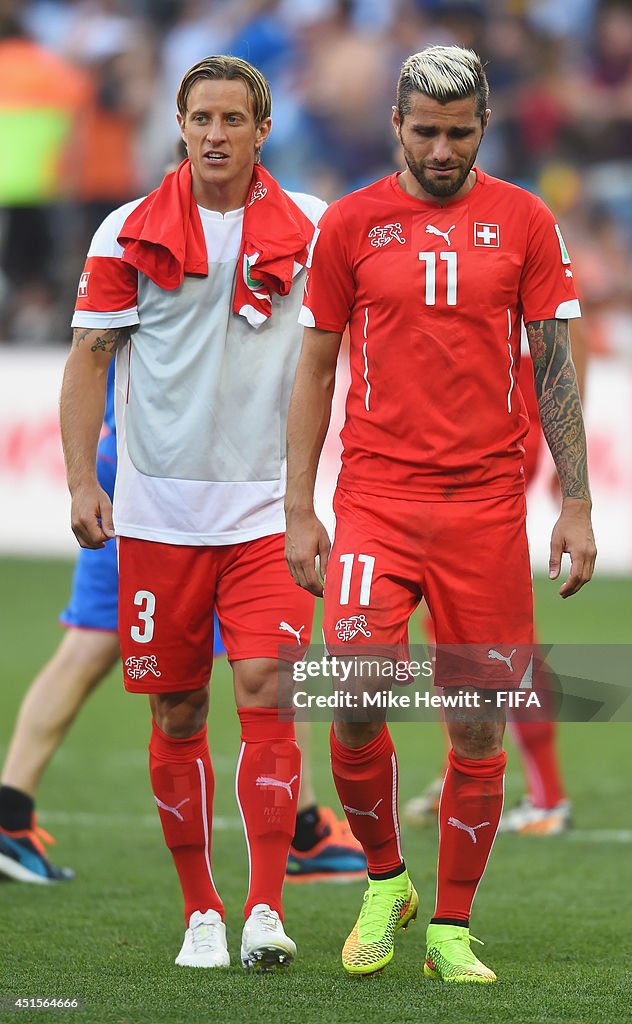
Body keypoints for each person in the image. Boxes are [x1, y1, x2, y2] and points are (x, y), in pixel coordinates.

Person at [285, 45, 596, 984]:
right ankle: (386, 880)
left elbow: (554, 368)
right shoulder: (346, 225)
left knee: (476, 727)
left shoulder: (527, 220)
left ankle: (451, 929)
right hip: (375, 501)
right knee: (354, 697)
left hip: (487, 511)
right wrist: (298, 506)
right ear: (396, 126)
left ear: (484, 129)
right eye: (425, 131)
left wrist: (575, 502)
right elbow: (314, 369)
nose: (442, 149)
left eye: (459, 133)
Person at [59, 54, 329, 973]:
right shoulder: (126, 230)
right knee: (178, 711)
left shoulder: (317, 232)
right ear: (180, 125)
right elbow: (88, 363)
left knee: (266, 697)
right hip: (158, 517)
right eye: (200, 117)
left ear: (262, 130)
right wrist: (80, 483)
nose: (215, 133)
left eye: (232, 119)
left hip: (266, 517)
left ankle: (263, 908)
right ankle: (200, 912)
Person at [0, 364, 364, 887]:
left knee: (99, 647)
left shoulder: (131, 290)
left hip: (142, 465)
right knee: (266, 655)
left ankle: (10, 814)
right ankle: (302, 832)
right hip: (175, 484)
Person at [405, 318, 589, 835]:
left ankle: (544, 793)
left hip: (495, 426)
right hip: (476, 417)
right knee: (451, 622)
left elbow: (575, 340)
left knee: (490, 631)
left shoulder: (528, 237)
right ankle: (465, 767)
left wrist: (566, 452)